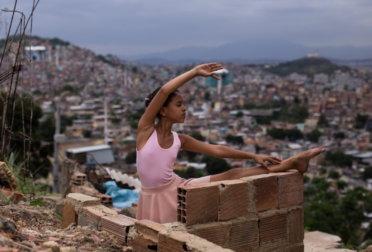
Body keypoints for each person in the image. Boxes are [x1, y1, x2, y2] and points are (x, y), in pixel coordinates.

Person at [135, 63, 325, 223]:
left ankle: (291, 163)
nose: (185, 109)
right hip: (152, 195)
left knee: (234, 173)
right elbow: (163, 91)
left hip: (177, 189)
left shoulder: (179, 139)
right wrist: (194, 72)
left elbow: (216, 150)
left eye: (183, 104)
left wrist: (253, 155)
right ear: (162, 110)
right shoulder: (146, 131)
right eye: (178, 105)